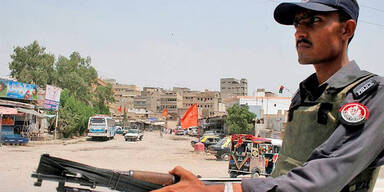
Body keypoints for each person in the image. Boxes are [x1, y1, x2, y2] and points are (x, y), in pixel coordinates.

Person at [152, 0, 384, 192]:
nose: (300, 32)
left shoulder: (372, 95)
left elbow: (322, 178)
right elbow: (286, 172)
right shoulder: (304, 96)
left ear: (346, 29)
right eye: (297, 23)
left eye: (314, 21)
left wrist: (220, 190)